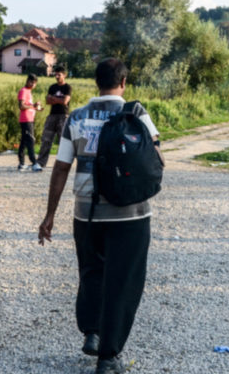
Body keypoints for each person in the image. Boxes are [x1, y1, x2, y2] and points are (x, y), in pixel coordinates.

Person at [38, 58, 161, 374]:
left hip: (88, 213)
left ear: (96, 82)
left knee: (92, 272)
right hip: (131, 214)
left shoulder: (76, 118)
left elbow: (62, 167)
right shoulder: (137, 113)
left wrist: (50, 215)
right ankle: (109, 356)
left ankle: (92, 332)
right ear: (123, 82)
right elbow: (158, 157)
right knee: (124, 281)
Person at [36, 66, 72, 169]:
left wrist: (53, 98)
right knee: (46, 139)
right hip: (52, 115)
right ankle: (41, 162)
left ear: (64, 75)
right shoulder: (52, 87)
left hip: (63, 116)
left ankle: (63, 163)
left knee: (63, 140)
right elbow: (48, 101)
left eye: (59, 75)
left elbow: (65, 101)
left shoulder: (67, 87)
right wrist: (58, 99)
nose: (56, 76)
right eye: (55, 74)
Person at [18, 74, 43, 171]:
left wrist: (35, 106)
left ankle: (21, 163)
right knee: (30, 140)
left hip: (30, 119)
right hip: (26, 119)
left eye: (35, 83)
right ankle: (34, 163)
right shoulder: (23, 91)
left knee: (24, 141)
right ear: (28, 81)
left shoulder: (29, 92)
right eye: (32, 82)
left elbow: (28, 105)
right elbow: (21, 106)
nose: (33, 85)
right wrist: (33, 107)